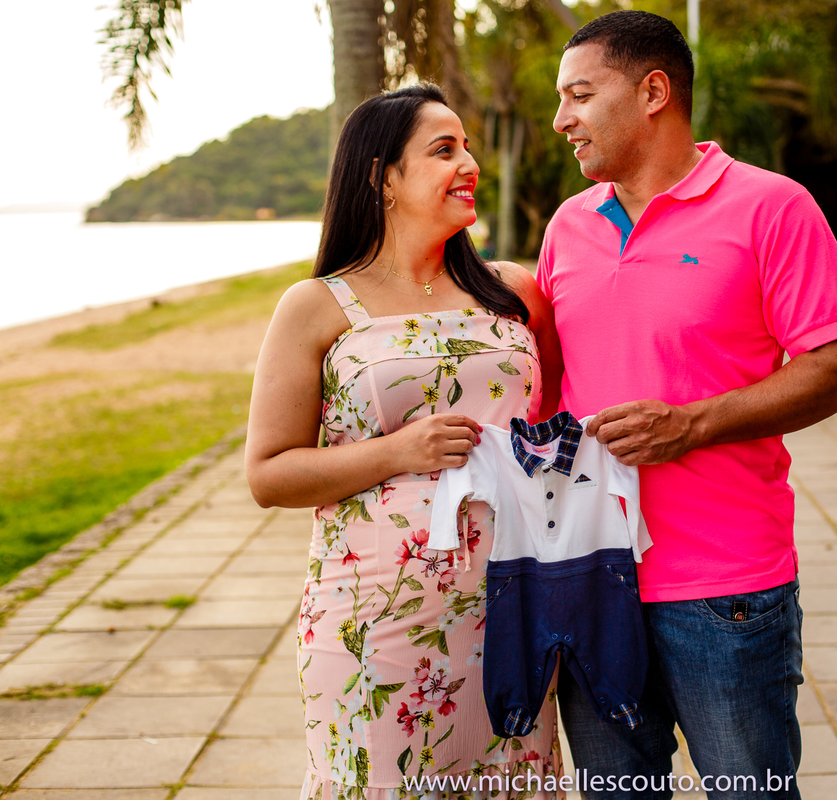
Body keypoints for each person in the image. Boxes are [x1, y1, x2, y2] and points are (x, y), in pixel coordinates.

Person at [537, 11, 837, 800]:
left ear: (653, 91)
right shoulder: (568, 226)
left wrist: (694, 425)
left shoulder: (772, 208)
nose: (561, 120)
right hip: (592, 580)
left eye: (580, 95)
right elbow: (547, 388)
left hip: (726, 589)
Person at [244, 84, 564, 800]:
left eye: (469, 146)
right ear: (382, 176)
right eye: (444, 149)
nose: (468, 163)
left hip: (513, 610)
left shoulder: (513, 293)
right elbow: (268, 475)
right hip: (376, 619)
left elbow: (558, 421)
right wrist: (400, 452)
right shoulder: (319, 305)